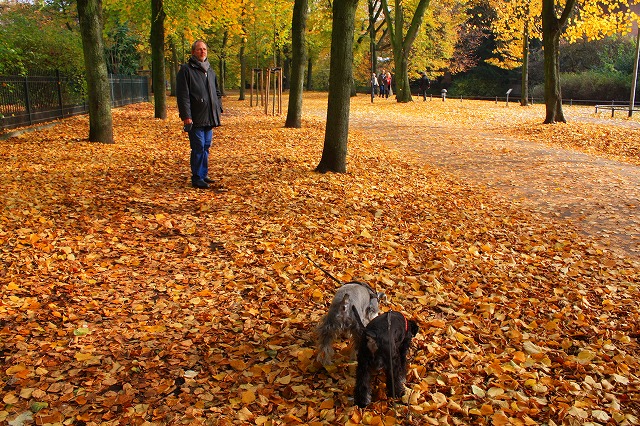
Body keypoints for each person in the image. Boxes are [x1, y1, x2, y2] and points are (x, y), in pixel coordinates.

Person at [176, 40, 223, 189]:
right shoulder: (186, 70)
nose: (202, 51)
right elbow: (183, 95)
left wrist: (218, 107)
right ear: (193, 52)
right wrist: (186, 117)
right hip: (195, 117)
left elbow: (217, 92)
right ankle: (197, 177)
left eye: (204, 49)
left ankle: (203, 174)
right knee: (198, 146)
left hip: (209, 116)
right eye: (199, 49)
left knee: (206, 146)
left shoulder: (210, 70)